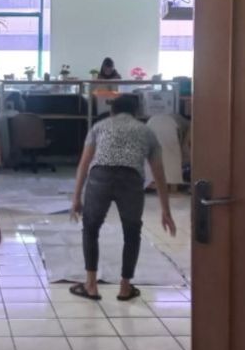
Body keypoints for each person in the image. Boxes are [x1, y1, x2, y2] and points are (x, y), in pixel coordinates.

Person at [69, 94, 176, 302]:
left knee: (91, 228)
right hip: (131, 179)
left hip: (100, 176)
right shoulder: (146, 131)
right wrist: (166, 211)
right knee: (132, 232)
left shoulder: (99, 127)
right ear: (136, 112)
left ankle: (91, 285)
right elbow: (159, 173)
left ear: (112, 111)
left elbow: (84, 164)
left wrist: (76, 198)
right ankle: (125, 287)